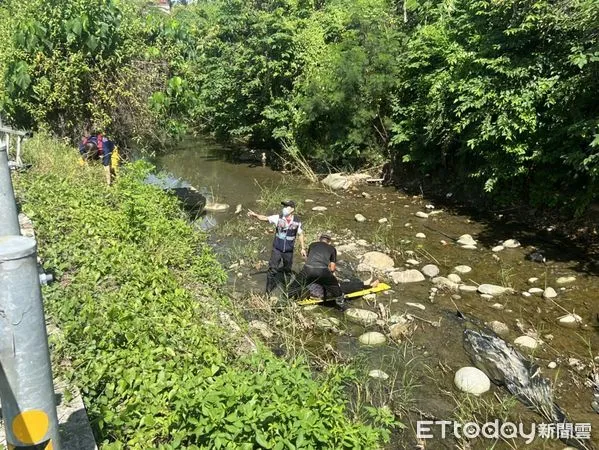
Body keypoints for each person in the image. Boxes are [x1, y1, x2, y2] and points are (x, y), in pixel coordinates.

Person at [247, 200, 306, 294]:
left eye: (287, 207)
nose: (284, 209)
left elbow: (300, 234)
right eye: (284, 206)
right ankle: (268, 292)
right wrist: (255, 215)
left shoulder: (297, 221)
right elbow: (265, 218)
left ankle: (286, 290)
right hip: (277, 249)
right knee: (272, 269)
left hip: (289, 251)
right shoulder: (278, 218)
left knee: (287, 270)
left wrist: (303, 248)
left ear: (292, 209)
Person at [294, 234, 343, 301]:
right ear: (329, 242)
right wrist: (332, 276)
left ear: (319, 240)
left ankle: (282, 302)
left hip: (308, 269)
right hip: (322, 271)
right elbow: (332, 268)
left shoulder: (312, 245)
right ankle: (340, 301)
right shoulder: (332, 248)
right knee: (335, 287)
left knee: (294, 285)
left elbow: (308, 259)